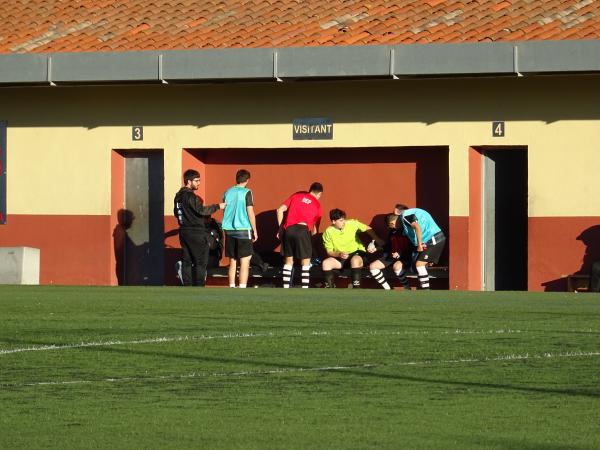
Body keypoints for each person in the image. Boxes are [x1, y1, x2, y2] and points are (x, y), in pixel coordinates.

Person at [174, 169, 225, 286]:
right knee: (200, 262)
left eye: (199, 180)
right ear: (188, 181)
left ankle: (187, 286)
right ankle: (199, 286)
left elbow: (176, 213)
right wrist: (218, 206)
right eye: (196, 180)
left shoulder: (178, 196)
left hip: (183, 232)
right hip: (196, 232)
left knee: (187, 261)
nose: (199, 183)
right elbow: (202, 210)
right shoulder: (191, 196)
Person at [276, 182, 323, 288]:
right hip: (303, 230)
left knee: (289, 261)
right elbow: (315, 229)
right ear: (319, 194)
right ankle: (304, 288)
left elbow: (279, 210)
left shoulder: (296, 196)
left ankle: (286, 288)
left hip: (289, 230)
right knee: (306, 262)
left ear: (309, 189)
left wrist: (280, 229)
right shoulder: (317, 204)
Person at [321, 208, 381, 288]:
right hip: (341, 256)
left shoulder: (352, 223)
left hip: (357, 253)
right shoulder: (328, 232)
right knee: (326, 263)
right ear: (333, 221)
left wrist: (377, 240)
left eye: (344, 219)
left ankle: (356, 288)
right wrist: (339, 254)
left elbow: (367, 228)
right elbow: (329, 252)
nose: (344, 222)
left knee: (355, 260)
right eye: (341, 220)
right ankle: (331, 289)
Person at [393, 204, 446, 289]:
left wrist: (420, 244)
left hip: (433, 238)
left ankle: (426, 292)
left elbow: (417, 227)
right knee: (419, 264)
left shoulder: (405, 215)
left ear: (398, 212)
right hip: (431, 240)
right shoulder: (411, 214)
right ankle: (423, 290)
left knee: (419, 264)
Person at [222, 169, 257, 288]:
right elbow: (250, 212)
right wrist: (255, 230)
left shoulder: (227, 192)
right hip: (243, 229)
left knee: (232, 260)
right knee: (245, 260)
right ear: (247, 180)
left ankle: (231, 286)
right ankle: (242, 287)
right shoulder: (247, 192)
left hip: (229, 229)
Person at [369, 214, 413, 290]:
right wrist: (376, 249)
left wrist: (400, 253)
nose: (391, 226)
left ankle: (407, 288)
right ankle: (387, 289)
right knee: (373, 266)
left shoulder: (408, 230)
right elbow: (388, 246)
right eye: (390, 224)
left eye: (391, 224)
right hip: (391, 256)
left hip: (406, 257)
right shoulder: (392, 231)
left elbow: (413, 246)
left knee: (396, 266)